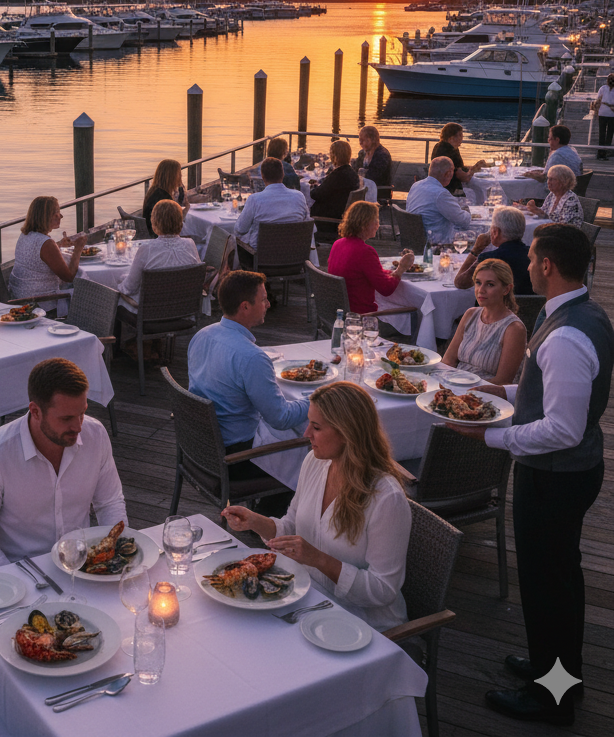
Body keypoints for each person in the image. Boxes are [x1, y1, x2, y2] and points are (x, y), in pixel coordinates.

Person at [446, 225, 611, 725]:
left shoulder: (565, 335)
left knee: (547, 587)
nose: (529, 266)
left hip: (555, 478)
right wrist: (500, 395)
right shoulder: (582, 314)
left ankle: (551, 698)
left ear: (547, 265)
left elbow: (562, 428)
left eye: (533, 258)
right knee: (559, 579)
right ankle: (557, 672)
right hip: (571, 472)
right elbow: (550, 394)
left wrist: (491, 438)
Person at [222, 381, 411, 631]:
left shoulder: (386, 498)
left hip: (364, 622)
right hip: (309, 599)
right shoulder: (315, 461)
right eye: (309, 423)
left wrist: (318, 559)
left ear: (347, 433)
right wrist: (255, 521)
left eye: (317, 427)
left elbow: (383, 590)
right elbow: (293, 526)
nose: (306, 433)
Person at [0, 358, 126, 570]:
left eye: (82, 413)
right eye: (66, 418)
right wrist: (12, 580)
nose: (78, 427)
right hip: (21, 571)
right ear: (35, 411)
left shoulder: (96, 435)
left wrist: (115, 558)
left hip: (81, 565)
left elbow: (109, 503)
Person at [187, 271, 310, 480]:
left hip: (201, 445)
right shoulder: (252, 357)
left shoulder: (202, 335)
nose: (268, 304)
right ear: (245, 306)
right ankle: (283, 500)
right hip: (237, 457)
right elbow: (281, 418)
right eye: (263, 300)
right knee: (313, 449)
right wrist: (318, 398)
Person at [441, 259, 526, 384]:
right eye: (478, 283)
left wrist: (465, 389)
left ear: (506, 289)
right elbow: (448, 361)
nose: (481, 290)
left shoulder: (514, 329)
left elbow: (503, 381)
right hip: (454, 384)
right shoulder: (470, 314)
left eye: (490, 284)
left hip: (486, 392)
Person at [326, 201, 415, 315]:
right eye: (376, 220)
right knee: (414, 311)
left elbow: (368, 273)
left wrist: (391, 272)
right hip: (361, 316)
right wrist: (401, 269)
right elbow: (386, 289)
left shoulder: (338, 244)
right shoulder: (365, 251)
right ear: (364, 225)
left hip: (339, 310)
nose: (378, 225)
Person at [118, 199, 200, 308]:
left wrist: (120, 280)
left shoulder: (146, 249)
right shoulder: (190, 244)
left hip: (150, 312)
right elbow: (196, 278)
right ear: (180, 222)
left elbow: (129, 288)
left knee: (117, 290)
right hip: (183, 309)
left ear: (154, 223)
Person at [8, 195, 85, 307]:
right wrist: (78, 249)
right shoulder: (47, 244)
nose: (61, 216)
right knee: (88, 291)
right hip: (40, 304)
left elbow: (37, 255)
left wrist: (58, 245)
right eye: (56, 213)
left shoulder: (25, 235)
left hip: (20, 296)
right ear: (45, 217)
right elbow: (68, 277)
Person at [452, 205, 532, 294]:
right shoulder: (533, 256)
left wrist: (476, 250)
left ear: (495, 232)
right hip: (529, 303)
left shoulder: (489, 259)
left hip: (497, 303)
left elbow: (460, 283)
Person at [234, 157, 309, 249]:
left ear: (262, 176)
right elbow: (306, 224)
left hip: (262, 256)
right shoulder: (299, 197)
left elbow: (240, 229)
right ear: (282, 175)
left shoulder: (254, 199)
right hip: (293, 253)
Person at [405, 156, 472, 243]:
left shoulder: (416, 185)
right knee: (477, 236)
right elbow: (463, 221)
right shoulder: (441, 194)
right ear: (448, 174)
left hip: (415, 238)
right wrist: (468, 211)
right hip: (435, 243)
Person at [309, 139, 360, 237]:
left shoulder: (338, 175)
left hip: (327, 222)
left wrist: (313, 187)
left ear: (334, 156)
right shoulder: (352, 173)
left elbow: (316, 194)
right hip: (342, 216)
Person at [518, 164, 584, 228]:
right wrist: (532, 209)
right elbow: (545, 211)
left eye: (552, 179)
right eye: (548, 179)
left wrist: (540, 213)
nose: (548, 182)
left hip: (566, 233)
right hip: (552, 230)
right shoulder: (552, 195)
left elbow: (563, 225)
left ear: (563, 182)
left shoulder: (570, 199)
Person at [432, 122, 486, 194]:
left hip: (447, 183)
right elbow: (461, 176)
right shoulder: (446, 150)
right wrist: (473, 171)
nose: (462, 137)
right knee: (480, 189)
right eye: (460, 135)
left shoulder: (447, 147)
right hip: (450, 188)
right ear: (451, 138)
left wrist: (472, 168)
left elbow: (459, 168)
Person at [142, 158, 188, 237]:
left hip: (152, 234)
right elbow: (171, 226)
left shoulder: (154, 191)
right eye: (179, 174)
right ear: (171, 176)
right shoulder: (163, 198)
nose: (181, 176)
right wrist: (184, 211)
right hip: (158, 237)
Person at [352, 125, 393, 205]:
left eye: (363, 140)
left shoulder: (382, 155)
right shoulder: (362, 153)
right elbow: (355, 169)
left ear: (372, 140)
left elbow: (374, 176)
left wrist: (360, 172)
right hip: (363, 188)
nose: (360, 143)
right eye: (359, 140)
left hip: (378, 191)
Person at [593, 72, 614, 160]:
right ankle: (605, 153)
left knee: (602, 134)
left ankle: (600, 153)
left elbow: (598, 99)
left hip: (602, 112)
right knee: (609, 134)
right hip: (612, 114)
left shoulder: (602, 88)